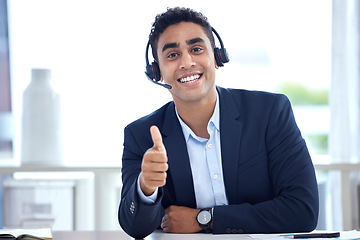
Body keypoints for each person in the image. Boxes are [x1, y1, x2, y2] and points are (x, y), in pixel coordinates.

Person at [118, 7, 319, 239]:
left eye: (196, 49)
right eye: (172, 55)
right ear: (157, 72)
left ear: (217, 57)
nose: (187, 62)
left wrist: (204, 219)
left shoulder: (270, 113)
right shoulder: (141, 135)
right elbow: (134, 227)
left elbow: (303, 211)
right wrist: (145, 188)